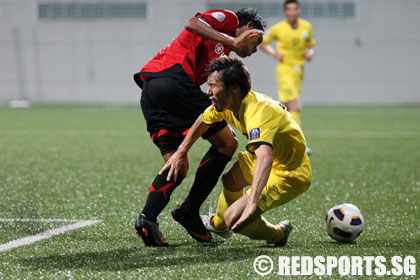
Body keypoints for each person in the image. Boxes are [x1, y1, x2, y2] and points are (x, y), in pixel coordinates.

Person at [133, 8, 266, 246]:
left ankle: (148, 219)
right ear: (247, 28)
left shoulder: (222, 55)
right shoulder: (230, 20)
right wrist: (233, 39)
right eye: (258, 39)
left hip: (152, 90)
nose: (256, 49)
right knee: (228, 143)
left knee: (177, 165)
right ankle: (189, 211)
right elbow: (191, 23)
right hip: (173, 81)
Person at [162, 56, 311, 246]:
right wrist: (181, 152)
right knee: (230, 180)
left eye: (213, 86)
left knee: (237, 220)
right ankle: (218, 224)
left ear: (234, 88)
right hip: (272, 158)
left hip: (289, 173)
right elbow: (204, 119)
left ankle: (278, 235)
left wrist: (252, 202)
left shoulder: (258, 111)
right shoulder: (227, 103)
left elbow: (264, 157)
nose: (208, 92)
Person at [259, 0, 315, 154]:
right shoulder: (278, 28)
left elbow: (311, 44)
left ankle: (274, 139)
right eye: (289, 9)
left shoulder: (306, 26)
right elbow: (262, 43)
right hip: (285, 70)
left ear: (299, 10)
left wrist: (310, 53)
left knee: (284, 108)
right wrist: (275, 54)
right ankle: (298, 144)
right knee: (295, 106)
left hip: (299, 71)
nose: (292, 12)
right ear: (285, 12)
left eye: (295, 9)